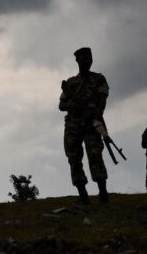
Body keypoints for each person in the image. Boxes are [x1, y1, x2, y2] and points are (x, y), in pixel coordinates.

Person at [59, 47, 110, 205]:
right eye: (84, 58)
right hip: (73, 125)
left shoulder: (98, 78)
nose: (87, 61)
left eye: (89, 58)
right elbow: (61, 105)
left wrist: (94, 113)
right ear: (77, 61)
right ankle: (83, 194)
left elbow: (102, 99)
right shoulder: (70, 83)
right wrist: (72, 105)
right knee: (74, 158)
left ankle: (103, 192)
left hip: (91, 123)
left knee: (95, 155)